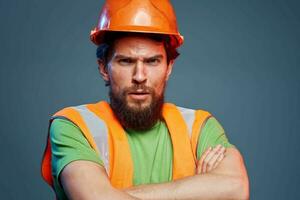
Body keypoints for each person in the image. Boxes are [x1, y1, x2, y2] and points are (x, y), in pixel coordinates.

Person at [41, 0, 249, 199]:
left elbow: (236, 189)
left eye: (152, 61)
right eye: (125, 61)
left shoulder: (198, 127)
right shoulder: (74, 126)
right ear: (104, 68)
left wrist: (114, 193)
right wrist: (199, 188)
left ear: (168, 68)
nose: (139, 76)